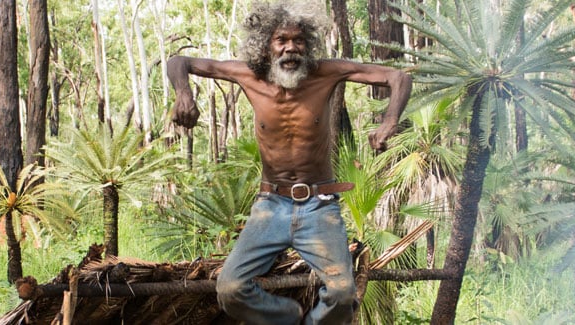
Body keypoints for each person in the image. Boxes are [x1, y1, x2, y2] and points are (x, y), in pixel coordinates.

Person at [167, 1, 411, 324]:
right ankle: (289, 318)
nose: (290, 48)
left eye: (298, 40)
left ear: (307, 44)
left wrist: (390, 120)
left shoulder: (325, 72)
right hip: (270, 205)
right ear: (266, 45)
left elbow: (398, 77)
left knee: (341, 294)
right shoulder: (248, 75)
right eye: (281, 40)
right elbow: (178, 61)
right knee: (230, 288)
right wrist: (183, 94)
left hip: (319, 206)